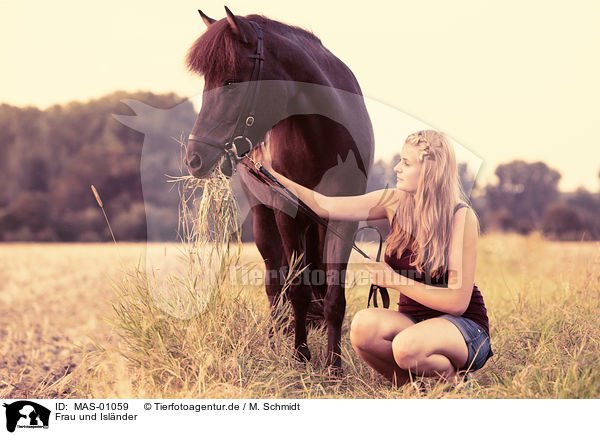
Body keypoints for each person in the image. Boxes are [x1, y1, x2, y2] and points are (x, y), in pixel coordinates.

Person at [252, 130, 493, 387]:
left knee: (405, 348)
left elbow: (456, 302)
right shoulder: (394, 202)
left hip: (463, 329)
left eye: (407, 163)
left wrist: (394, 280)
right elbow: (324, 205)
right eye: (400, 160)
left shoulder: (460, 217)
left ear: (430, 171)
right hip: (415, 324)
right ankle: (414, 389)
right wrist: (271, 174)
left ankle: (453, 382)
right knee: (362, 328)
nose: (397, 168)